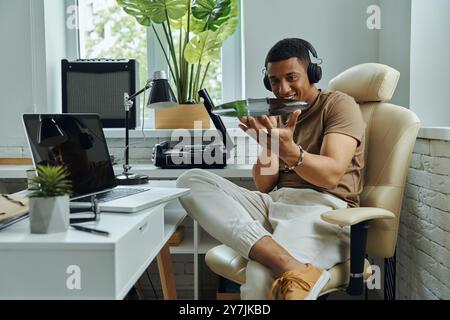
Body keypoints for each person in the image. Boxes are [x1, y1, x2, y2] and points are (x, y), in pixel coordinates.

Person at [176, 38, 365, 300]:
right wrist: (269, 145)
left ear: (312, 73)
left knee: (259, 274)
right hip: (275, 203)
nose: (282, 88)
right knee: (191, 180)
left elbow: (330, 175)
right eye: (274, 81)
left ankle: (270, 258)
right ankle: (292, 266)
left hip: (323, 209)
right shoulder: (275, 113)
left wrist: (289, 151)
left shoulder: (338, 105)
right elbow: (265, 185)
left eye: (291, 77)